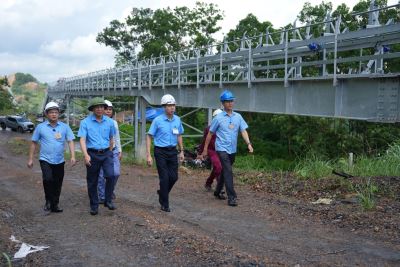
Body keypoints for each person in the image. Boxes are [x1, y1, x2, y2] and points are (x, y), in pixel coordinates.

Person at [200, 90, 254, 206]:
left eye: (231, 101)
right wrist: (205, 149)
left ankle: (218, 191)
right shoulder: (218, 118)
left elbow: (243, 130)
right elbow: (209, 134)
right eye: (227, 101)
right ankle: (232, 197)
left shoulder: (238, 117)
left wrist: (248, 143)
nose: (230, 103)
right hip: (221, 148)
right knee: (228, 171)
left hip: (232, 149)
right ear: (222, 103)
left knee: (225, 171)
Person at [27, 101, 76, 213]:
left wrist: (73, 156)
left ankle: (55, 204)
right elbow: (34, 143)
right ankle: (48, 201)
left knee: (58, 182)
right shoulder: (40, 127)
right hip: (45, 159)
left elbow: (70, 141)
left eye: (56, 112)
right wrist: (30, 159)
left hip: (60, 160)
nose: (54, 114)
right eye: (51, 112)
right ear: (46, 114)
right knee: (48, 179)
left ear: (59, 114)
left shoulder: (65, 127)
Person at [78, 97, 116, 215]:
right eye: (97, 107)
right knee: (92, 181)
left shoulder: (110, 122)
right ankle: (94, 205)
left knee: (111, 175)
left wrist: (110, 152)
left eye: (101, 107)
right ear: (92, 109)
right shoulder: (85, 122)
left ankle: (108, 200)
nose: (99, 109)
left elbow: (111, 138)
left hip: (106, 153)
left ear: (104, 109)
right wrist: (85, 155)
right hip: (92, 154)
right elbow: (82, 140)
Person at [146, 94, 184, 212]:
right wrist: (148, 155)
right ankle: (165, 204)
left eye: (173, 105)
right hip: (160, 151)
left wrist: (181, 151)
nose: (172, 108)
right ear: (164, 107)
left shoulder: (177, 120)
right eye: (169, 105)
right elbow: (149, 136)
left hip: (172, 151)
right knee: (164, 178)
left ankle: (162, 192)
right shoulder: (157, 120)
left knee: (174, 177)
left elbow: (179, 135)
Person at [97, 100, 122, 204]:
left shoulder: (114, 123)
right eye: (106, 109)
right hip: (102, 151)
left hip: (114, 151)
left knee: (115, 173)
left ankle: (109, 190)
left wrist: (120, 150)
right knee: (101, 175)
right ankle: (102, 196)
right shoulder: (97, 122)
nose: (108, 111)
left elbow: (116, 137)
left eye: (110, 109)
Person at [197, 109, 223, 192]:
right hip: (211, 150)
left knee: (217, 167)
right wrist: (200, 152)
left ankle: (208, 183)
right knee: (218, 167)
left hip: (222, 150)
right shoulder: (209, 129)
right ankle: (220, 187)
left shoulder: (224, 128)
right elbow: (204, 141)